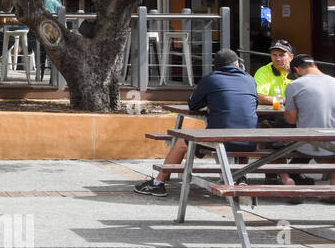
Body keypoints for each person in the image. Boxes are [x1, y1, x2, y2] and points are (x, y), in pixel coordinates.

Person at [135, 48, 259, 197]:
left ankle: (158, 183)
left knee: (181, 142)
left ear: (216, 67)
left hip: (221, 140)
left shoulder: (211, 79)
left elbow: (193, 104)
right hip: (249, 141)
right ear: (237, 64)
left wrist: (212, 102)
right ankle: (240, 176)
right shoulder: (250, 79)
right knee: (240, 128)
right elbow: (249, 106)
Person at [278, 55, 335, 188]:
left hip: (308, 143)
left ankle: (289, 178)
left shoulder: (295, 85)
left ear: (297, 70)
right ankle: (332, 184)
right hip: (333, 142)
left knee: (278, 143)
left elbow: (291, 119)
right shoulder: (334, 81)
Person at [254, 40, 296, 104]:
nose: (278, 59)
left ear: (291, 57)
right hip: (273, 112)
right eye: (274, 55)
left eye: (282, 55)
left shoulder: (298, 71)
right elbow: (258, 97)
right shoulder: (263, 71)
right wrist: (285, 101)